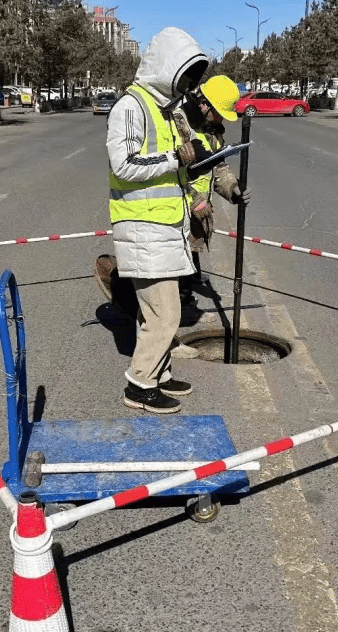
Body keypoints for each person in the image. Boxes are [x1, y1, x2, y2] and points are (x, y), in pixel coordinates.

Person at [105, 27, 225, 413]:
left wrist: (197, 162)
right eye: (185, 76)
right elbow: (123, 164)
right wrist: (177, 158)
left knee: (154, 313)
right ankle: (140, 385)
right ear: (168, 68)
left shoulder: (165, 110)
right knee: (166, 313)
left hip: (164, 226)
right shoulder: (131, 107)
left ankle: (159, 372)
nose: (189, 86)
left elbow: (173, 166)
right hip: (143, 227)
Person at [171, 75, 250, 320]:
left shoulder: (211, 130)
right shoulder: (177, 122)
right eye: (218, 113)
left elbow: (219, 167)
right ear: (204, 104)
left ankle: (189, 280)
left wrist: (233, 190)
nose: (221, 119)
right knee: (177, 255)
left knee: (191, 247)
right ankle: (180, 303)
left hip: (197, 205)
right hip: (177, 204)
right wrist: (192, 199)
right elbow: (167, 170)